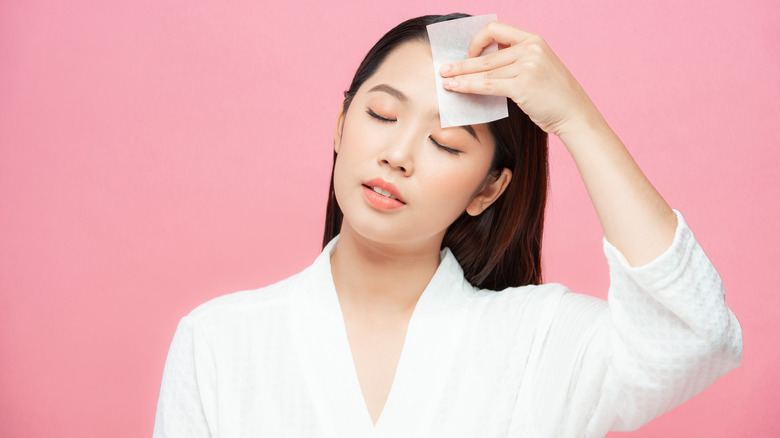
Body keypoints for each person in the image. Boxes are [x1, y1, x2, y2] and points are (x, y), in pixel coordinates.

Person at [153, 13, 742, 437]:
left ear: (488, 189)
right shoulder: (218, 342)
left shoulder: (539, 344)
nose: (398, 154)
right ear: (339, 126)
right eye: (381, 113)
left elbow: (692, 336)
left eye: (445, 142)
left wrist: (576, 119)